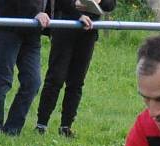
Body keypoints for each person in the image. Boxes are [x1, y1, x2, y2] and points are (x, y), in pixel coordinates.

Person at [0, 0, 91, 135]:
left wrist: (76, 15)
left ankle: (12, 130)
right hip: (9, 26)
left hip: (32, 31)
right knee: (2, 81)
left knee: (33, 82)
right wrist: (35, 13)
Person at [35, 0, 115, 138]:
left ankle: (66, 126)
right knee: (55, 78)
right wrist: (78, 14)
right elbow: (61, 4)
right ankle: (41, 124)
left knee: (77, 82)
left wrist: (99, 1)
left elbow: (110, 5)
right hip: (65, 29)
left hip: (88, 33)